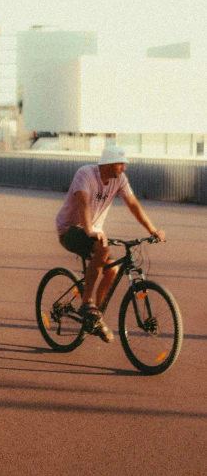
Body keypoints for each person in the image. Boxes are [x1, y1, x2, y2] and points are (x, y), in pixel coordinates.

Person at [56, 145, 165, 343]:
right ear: (108, 163)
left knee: (112, 271)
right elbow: (82, 202)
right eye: (120, 163)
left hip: (93, 231)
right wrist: (89, 230)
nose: (124, 168)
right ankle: (86, 302)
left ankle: (95, 317)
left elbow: (133, 204)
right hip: (69, 228)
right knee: (102, 249)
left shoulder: (119, 180)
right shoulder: (85, 174)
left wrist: (152, 230)